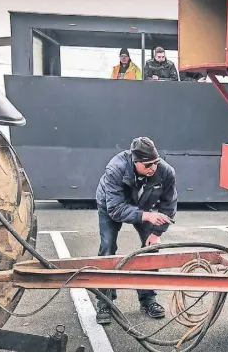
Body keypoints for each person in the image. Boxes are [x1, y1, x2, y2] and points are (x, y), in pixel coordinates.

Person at [94, 137, 178, 324]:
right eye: (148, 165)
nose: (153, 168)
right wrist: (147, 216)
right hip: (111, 207)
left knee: (151, 249)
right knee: (108, 248)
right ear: (135, 162)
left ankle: (148, 299)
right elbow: (115, 209)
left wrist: (156, 233)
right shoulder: (115, 169)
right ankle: (104, 301)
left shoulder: (166, 172)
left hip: (142, 205)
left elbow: (169, 206)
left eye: (155, 163)